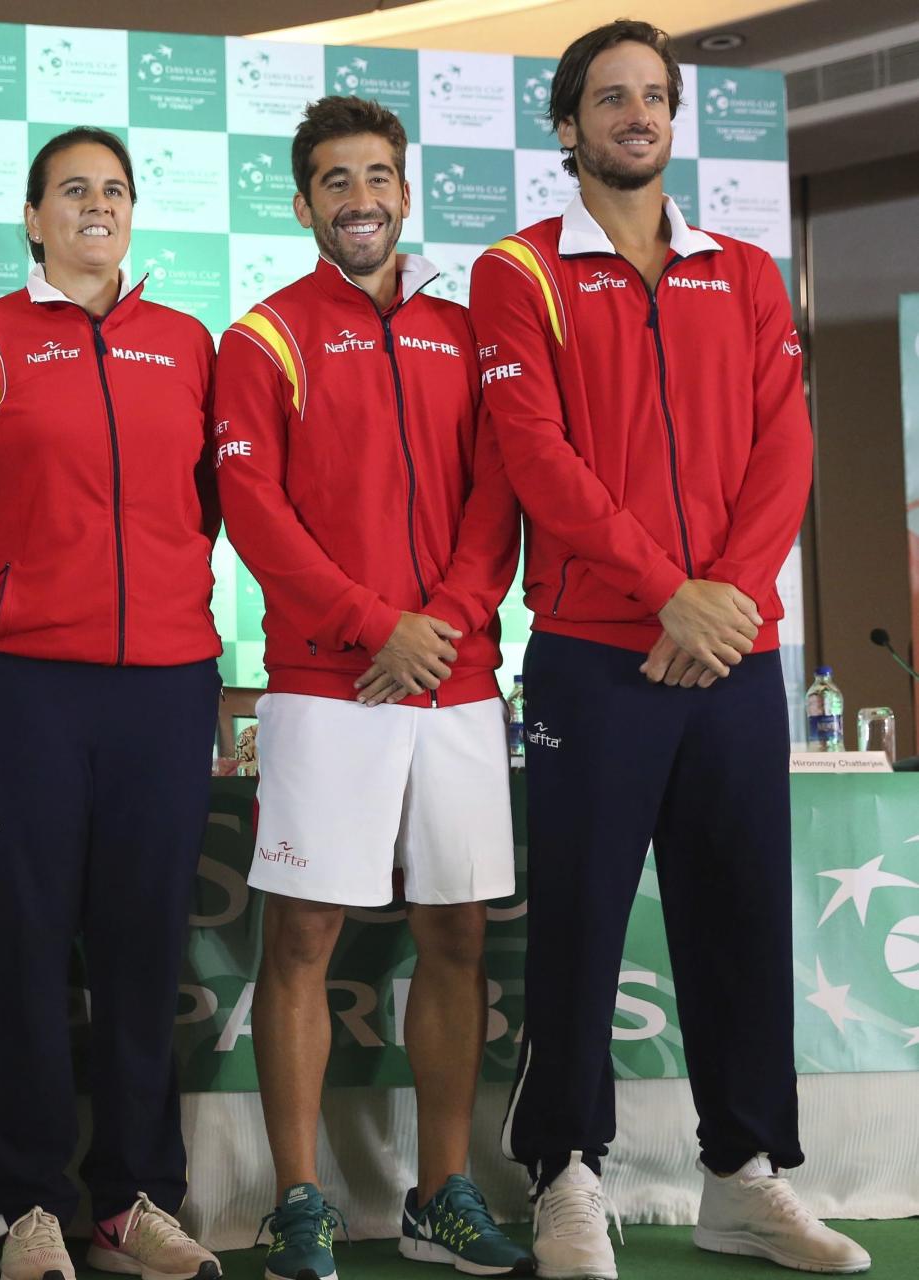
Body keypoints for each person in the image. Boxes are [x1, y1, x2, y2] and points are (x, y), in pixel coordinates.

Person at [470, 19, 870, 1278]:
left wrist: (729, 599)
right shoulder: (514, 273)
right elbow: (539, 457)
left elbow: (783, 446)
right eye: (608, 98)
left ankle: (741, 1177)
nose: (633, 115)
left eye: (651, 96)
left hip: (731, 651)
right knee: (580, 921)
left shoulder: (744, 272)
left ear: (670, 116)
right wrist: (665, 596)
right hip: (596, 651)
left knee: (740, 918)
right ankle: (565, 1175)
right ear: (566, 123)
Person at [214, 96, 529, 1279]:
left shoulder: (462, 331)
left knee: (456, 938)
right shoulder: (261, 338)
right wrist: (368, 628)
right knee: (300, 939)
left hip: (452, 684)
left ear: (404, 192)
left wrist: (440, 627)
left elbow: (497, 491)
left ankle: (438, 1193)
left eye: (377, 177)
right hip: (323, 683)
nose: (360, 198)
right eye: (335, 181)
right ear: (302, 204)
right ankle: (297, 1198)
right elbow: (257, 516)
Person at [0, 127, 223, 1280]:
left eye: (115, 191)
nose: (96, 205)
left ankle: (135, 1197)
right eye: (72, 191)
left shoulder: (187, 343)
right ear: (32, 218)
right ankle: (27, 1198)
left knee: (142, 949)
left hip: (165, 686)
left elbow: (205, 502)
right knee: (26, 946)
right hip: (21, 684)